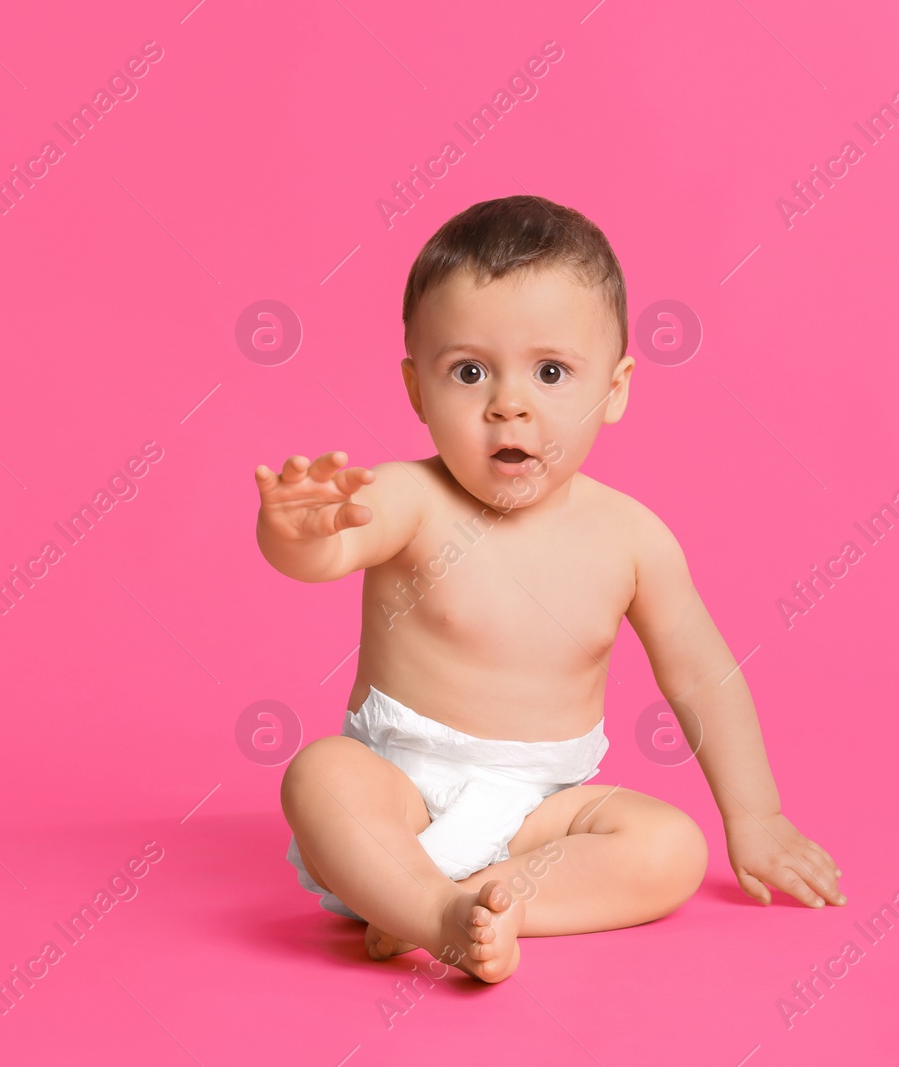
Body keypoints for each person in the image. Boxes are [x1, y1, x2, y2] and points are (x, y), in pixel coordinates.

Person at [255, 194, 845, 984]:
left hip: (539, 817)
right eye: (468, 371)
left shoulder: (631, 538)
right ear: (415, 390)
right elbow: (330, 550)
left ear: (617, 386)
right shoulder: (408, 497)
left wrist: (756, 813)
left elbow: (701, 673)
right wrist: (295, 534)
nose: (510, 403)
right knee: (320, 774)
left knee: (670, 848)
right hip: (400, 798)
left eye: (552, 371)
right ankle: (427, 907)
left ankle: (483, 905)